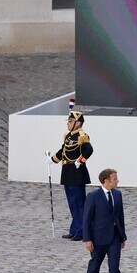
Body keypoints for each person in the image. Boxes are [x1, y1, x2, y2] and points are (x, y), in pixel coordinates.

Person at [47, 100, 93, 241]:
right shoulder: (68, 136)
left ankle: (82, 231)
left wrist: (80, 161)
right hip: (67, 172)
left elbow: (88, 150)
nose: (68, 123)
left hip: (77, 173)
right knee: (72, 203)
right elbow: (63, 151)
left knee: (79, 203)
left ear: (78, 123)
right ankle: (74, 229)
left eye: (70, 121)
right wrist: (53, 159)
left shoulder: (82, 136)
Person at [82, 168, 127, 273]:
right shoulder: (93, 196)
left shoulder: (118, 195)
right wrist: (87, 239)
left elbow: (120, 217)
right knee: (95, 266)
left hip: (114, 237)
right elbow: (86, 219)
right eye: (115, 179)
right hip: (98, 238)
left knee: (114, 269)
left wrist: (122, 237)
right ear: (106, 181)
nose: (117, 181)